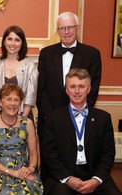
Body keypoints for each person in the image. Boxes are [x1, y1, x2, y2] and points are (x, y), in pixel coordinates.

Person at [40, 68, 122, 195]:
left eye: (81, 86)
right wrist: (68, 178)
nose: (77, 91)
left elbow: (108, 154)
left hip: (94, 173)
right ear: (66, 90)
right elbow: (49, 154)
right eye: (73, 86)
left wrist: (96, 180)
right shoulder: (53, 118)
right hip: (64, 175)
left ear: (89, 89)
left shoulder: (103, 118)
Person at [36, 11, 101, 142]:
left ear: (77, 28)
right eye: (62, 28)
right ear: (57, 31)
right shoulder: (45, 53)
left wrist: (76, 115)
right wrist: (51, 117)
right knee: (50, 160)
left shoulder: (92, 54)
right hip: (49, 121)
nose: (66, 32)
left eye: (70, 27)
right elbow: (40, 89)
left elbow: (92, 89)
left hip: (80, 120)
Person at [0, 84, 46, 195]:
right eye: (8, 99)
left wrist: (30, 169)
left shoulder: (27, 123)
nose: (13, 103)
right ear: (0, 102)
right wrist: (11, 172)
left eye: (16, 100)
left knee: (32, 189)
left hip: (23, 170)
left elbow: (34, 153)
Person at [0, 25, 38, 122]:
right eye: (10, 39)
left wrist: (21, 122)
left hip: (24, 117)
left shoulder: (30, 66)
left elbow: (30, 97)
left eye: (17, 40)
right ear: (4, 41)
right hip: (0, 117)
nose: (13, 43)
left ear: (22, 43)